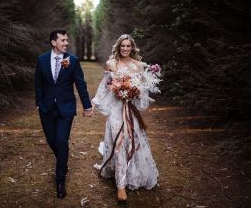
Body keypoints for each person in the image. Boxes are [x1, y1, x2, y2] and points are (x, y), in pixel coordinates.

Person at [92, 34, 161, 203]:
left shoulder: (138, 66)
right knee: (119, 144)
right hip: (116, 111)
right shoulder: (111, 64)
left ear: (132, 48)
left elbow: (143, 92)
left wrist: (133, 93)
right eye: (122, 46)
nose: (125, 49)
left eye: (128, 46)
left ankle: (132, 174)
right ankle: (121, 186)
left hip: (130, 112)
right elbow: (105, 88)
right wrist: (94, 103)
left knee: (133, 143)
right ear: (118, 46)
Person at [35, 29, 93, 199]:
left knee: (61, 141)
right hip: (46, 108)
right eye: (63, 40)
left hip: (65, 108)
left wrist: (87, 106)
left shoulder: (73, 61)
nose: (66, 43)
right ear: (54, 42)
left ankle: (60, 180)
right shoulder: (42, 60)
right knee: (52, 141)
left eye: (67, 40)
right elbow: (38, 83)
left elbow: (80, 84)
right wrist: (39, 103)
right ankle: (63, 159)